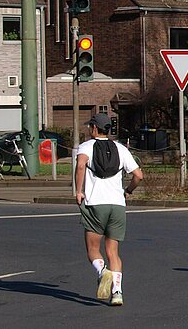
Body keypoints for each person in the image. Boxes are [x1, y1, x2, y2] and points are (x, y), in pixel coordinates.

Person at [75, 113, 143, 307]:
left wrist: (78, 191)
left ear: (95, 128)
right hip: (117, 205)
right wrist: (128, 191)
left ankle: (102, 271)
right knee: (113, 252)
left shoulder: (86, 147)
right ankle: (117, 292)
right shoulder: (121, 149)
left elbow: (81, 166)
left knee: (93, 250)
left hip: (96, 204)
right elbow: (138, 175)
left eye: (90, 126)